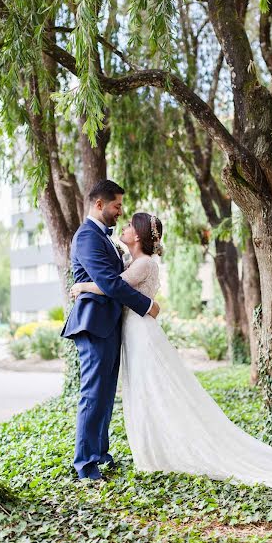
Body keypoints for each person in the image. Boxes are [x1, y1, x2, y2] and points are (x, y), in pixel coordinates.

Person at [71, 211, 272, 493]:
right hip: (134, 332)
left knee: (153, 390)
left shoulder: (143, 264)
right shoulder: (133, 261)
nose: (124, 225)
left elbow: (112, 286)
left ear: (139, 235)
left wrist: (82, 285)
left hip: (141, 334)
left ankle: (163, 449)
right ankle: (151, 446)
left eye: (131, 225)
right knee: (145, 391)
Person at [61, 180, 160, 481]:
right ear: (99, 204)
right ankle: (85, 464)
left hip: (109, 324)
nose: (120, 211)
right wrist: (146, 305)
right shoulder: (88, 236)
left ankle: (100, 453)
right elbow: (110, 283)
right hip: (93, 324)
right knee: (93, 394)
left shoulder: (104, 238)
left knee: (104, 395)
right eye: (116, 206)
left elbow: (116, 279)